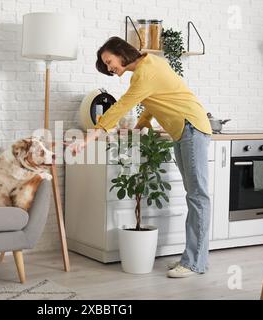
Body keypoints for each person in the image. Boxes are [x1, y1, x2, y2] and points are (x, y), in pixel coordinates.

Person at [66, 36, 212, 278]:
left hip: (191, 128)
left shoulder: (145, 72)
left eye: (109, 61)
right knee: (195, 196)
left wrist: (88, 139)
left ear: (121, 52)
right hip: (184, 131)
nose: (110, 67)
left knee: (198, 197)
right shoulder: (148, 66)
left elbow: (123, 105)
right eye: (106, 65)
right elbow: (151, 102)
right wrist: (138, 127)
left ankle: (195, 262)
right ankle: (194, 257)